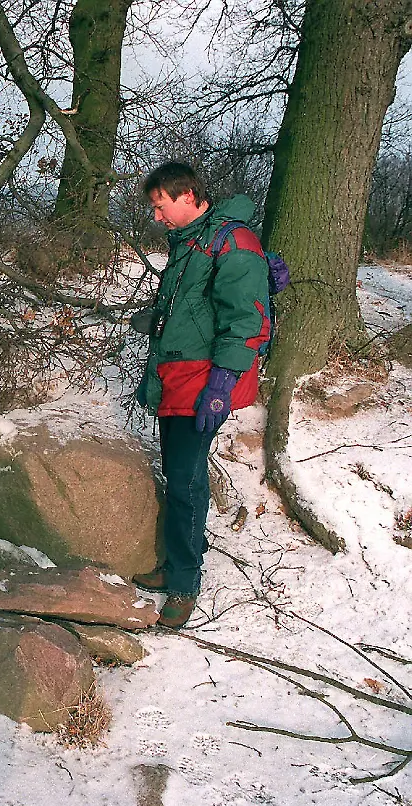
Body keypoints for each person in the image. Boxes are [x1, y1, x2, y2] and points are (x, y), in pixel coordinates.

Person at [131, 161, 271, 628]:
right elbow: (197, 308)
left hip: (203, 381)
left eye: (160, 206)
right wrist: (161, 323)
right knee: (178, 474)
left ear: (187, 194)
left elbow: (245, 320)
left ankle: (185, 582)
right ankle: (177, 562)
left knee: (187, 480)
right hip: (177, 376)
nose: (156, 217)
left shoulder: (232, 240)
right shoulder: (189, 243)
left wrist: (223, 382)